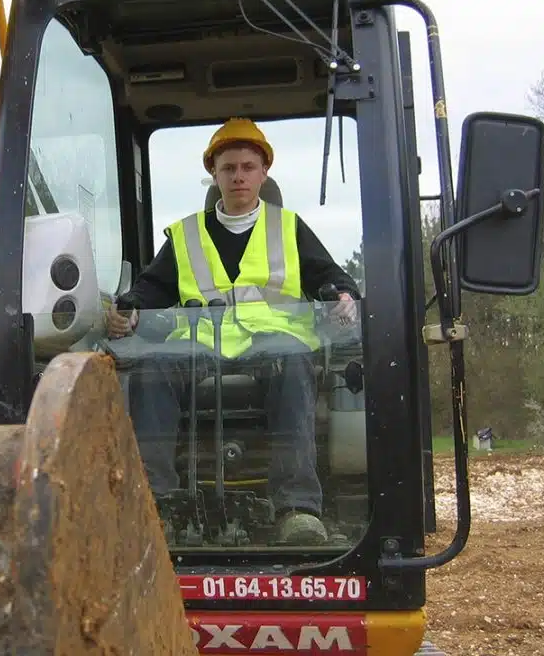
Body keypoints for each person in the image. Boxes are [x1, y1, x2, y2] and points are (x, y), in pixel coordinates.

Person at [105, 117, 360, 545]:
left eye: (247, 167)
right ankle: (155, 506)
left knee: (295, 366)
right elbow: (151, 288)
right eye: (229, 168)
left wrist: (344, 298)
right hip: (201, 343)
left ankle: (297, 509)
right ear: (214, 175)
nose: (238, 176)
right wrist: (128, 310)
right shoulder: (186, 234)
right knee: (151, 371)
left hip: (274, 344)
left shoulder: (289, 227)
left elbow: (331, 278)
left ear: (263, 173)